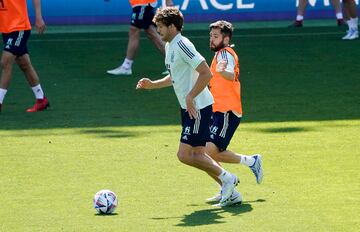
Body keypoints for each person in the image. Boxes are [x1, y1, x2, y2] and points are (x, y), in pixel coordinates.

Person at [136, 7, 239, 206]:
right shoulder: (170, 46)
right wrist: (153, 85)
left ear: (173, 27)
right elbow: (175, 77)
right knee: (198, 154)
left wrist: (191, 96)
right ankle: (231, 192)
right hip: (189, 107)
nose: (158, 31)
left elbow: (206, 73)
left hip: (198, 107)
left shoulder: (183, 44)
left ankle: (228, 179)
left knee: (185, 155)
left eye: (161, 27)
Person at [204, 20, 263, 205]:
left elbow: (229, 73)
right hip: (216, 111)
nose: (211, 40)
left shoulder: (225, 54)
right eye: (211, 36)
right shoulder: (218, 55)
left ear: (226, 39)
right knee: (203, 154)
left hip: (226, 112)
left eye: (215, 36)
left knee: (206, 153)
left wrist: (223, 72)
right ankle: (246, 166)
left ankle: (232, 184)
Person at [0, 0, 49, 113]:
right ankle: (41, 99)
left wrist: (38, 17)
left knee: (5, 61)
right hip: (7, 28)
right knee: (24, 64)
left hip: (19, 26)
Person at [107, 0, 174, 76]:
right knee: (150, 32)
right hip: (141, 3)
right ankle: (174, 63)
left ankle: (126, 67)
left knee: (136, 30)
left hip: (143, 3)